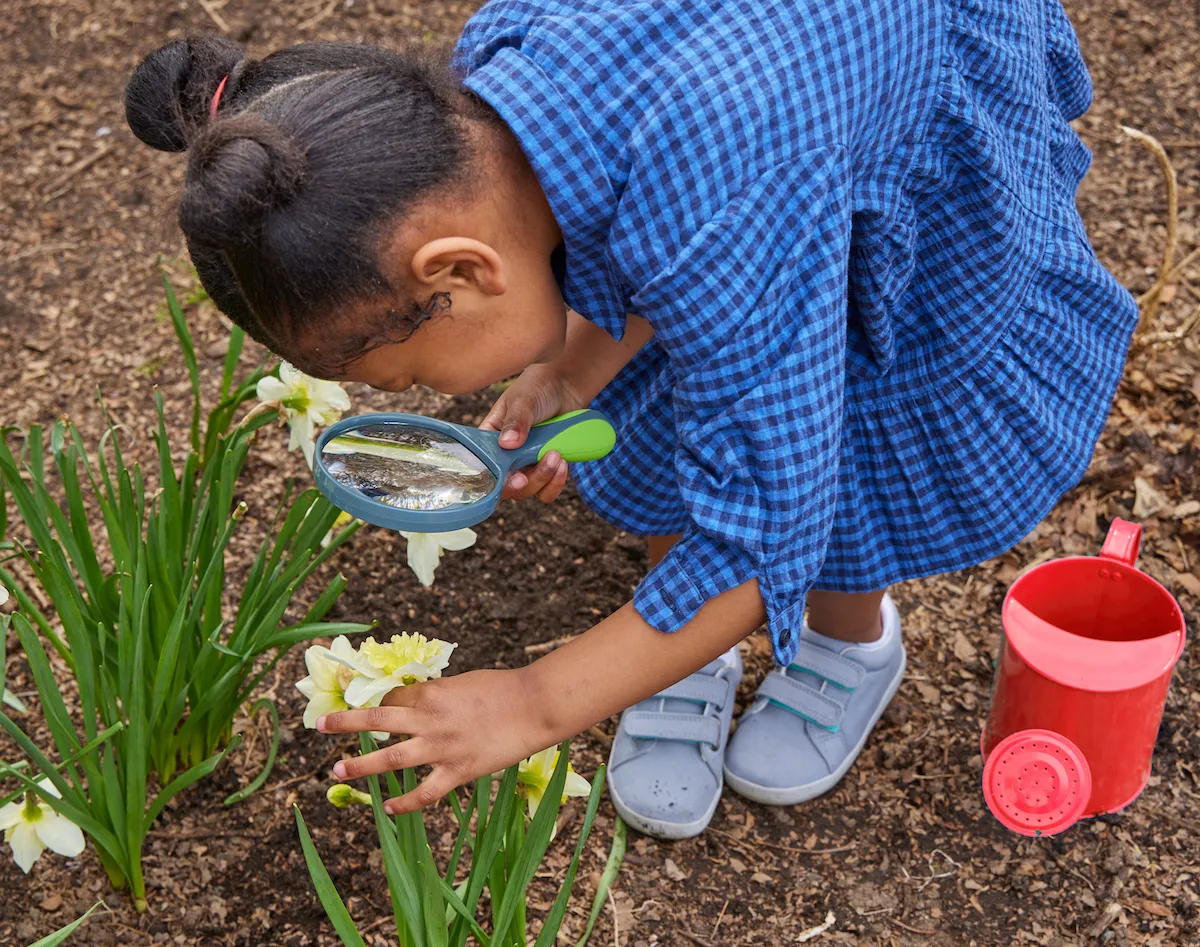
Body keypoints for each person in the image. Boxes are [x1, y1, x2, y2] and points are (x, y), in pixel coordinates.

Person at [124, 0, 1136, 839]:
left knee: (846, 419)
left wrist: (535, 700)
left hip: (854, 111)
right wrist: (569, 367)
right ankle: (685, 647)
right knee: (660, 401)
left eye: (419, 376)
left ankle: (849, 642)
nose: (437, 396)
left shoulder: (723, 179)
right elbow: (647, 209)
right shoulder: (494, 94)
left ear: (461, 272)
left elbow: (764, 523)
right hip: (755, 138)